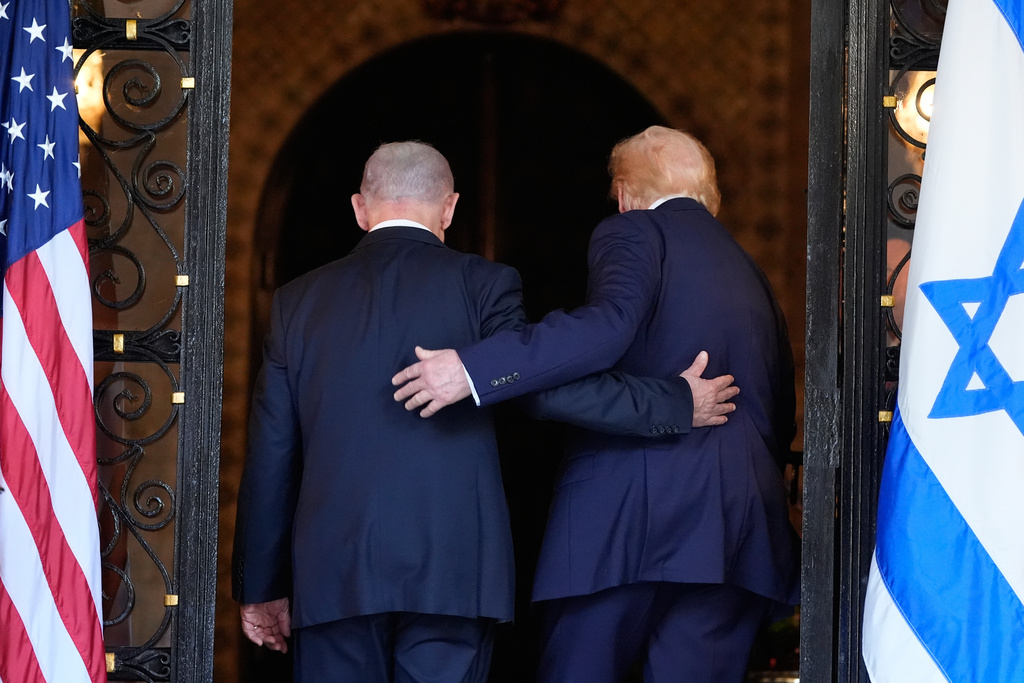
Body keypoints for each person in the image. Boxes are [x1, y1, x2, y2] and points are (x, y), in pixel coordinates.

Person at [231, 140, 739, 682]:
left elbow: (270, 457)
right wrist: (674, 401)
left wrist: (261, 589)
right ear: (450, 208)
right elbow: (546, 390)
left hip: (333, 578)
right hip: (456, 575)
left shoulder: (296, 303)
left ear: (360, 208)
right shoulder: (485, 284)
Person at [392, 126, 800, 682]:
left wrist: (475, 369)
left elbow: (607, 329)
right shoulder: (753, 271)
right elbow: (780, 409)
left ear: (627, 192)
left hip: (624, 530)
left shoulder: (635, 232)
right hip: (735, 536)